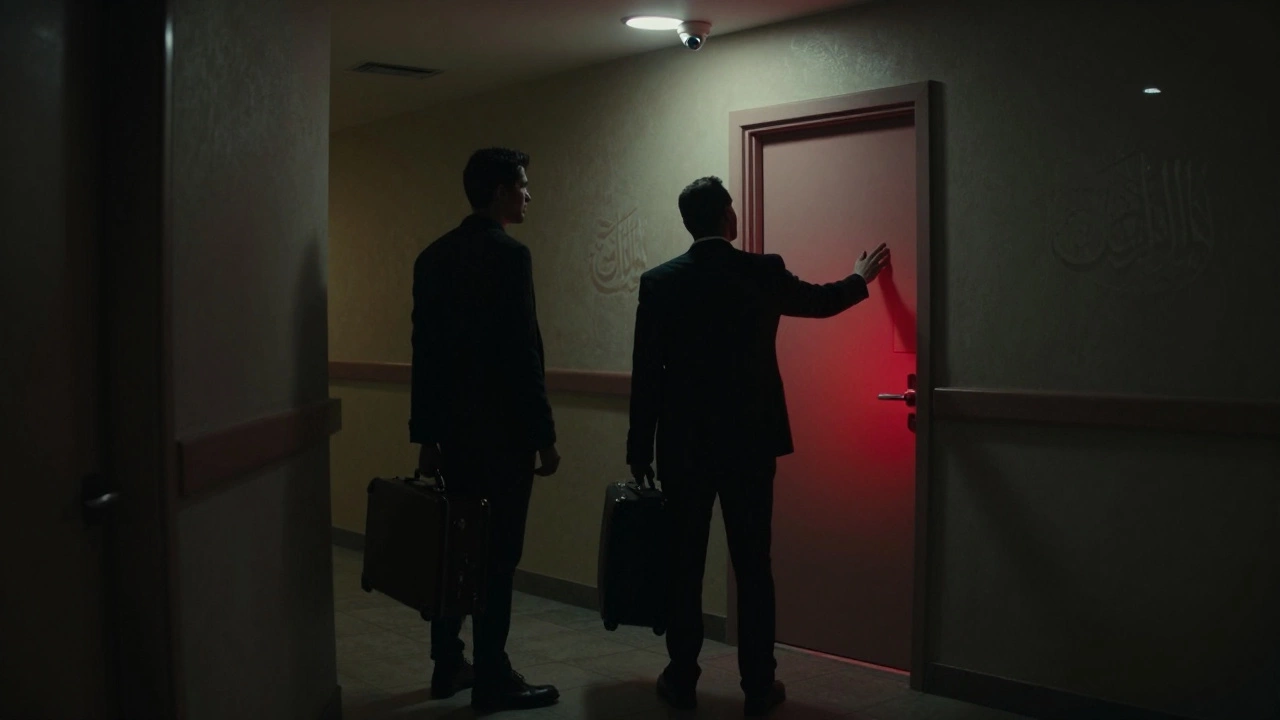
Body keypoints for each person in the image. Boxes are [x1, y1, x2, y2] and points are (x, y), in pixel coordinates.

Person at [626, 176, 890, 717]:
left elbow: (646, 375)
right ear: (728, 217)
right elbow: (819, 303)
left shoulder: (660, 283)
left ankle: (682, 679)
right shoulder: (760, 271)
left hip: (683, 446)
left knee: (685, 566)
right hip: (750, 443)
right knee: (753, 565)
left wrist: (639, 448)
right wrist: (859, 278)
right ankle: (757, 685)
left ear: (688, 223)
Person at [410, 147, 562, 714]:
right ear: (498, 191)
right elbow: (524, 354)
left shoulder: (433, 258)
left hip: (453, 434)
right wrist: (543, 435)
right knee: (498, 557)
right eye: (522, 185)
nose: (528, 194)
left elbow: (424, 354)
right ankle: (494, 674)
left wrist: (425, 435)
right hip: (503, 436)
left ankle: (448, 664)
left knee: (456, 547)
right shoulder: (509, 256)